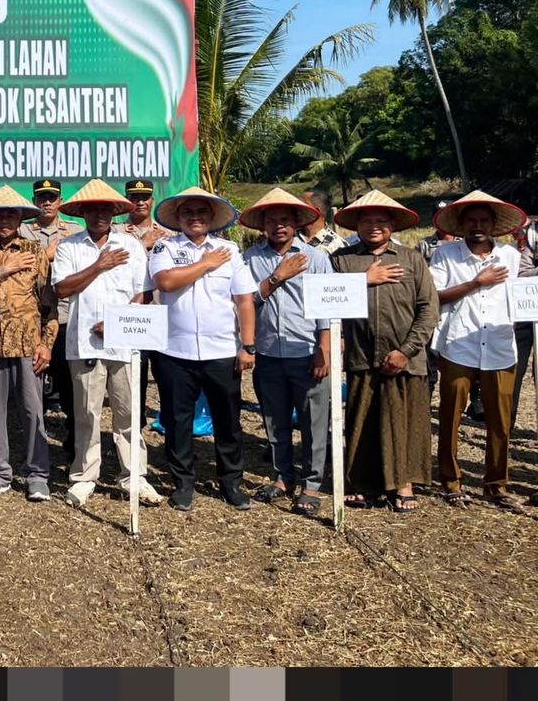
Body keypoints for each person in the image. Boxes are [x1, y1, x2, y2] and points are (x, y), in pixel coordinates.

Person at [51, 179, 160, 508]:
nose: (99, 214)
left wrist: (117, 321)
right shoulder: (70, 246)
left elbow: (143, 293)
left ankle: (134, 475)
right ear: (83, 212)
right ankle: (84, 476)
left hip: (125, 342)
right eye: (92, 209)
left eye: (105, 209)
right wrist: (98, 265)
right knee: (87, 413)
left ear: (114, 212)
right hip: (83, 344)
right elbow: (62, 289)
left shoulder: (130, 245)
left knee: (128, 413)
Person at [148, 185, 257, 513]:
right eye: (187, 212)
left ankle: (231, 482)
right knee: (177, 420)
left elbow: (244, 301)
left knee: (228, 420)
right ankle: (183, 483)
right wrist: (206, 264)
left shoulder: (230, 250)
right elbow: (165, 282)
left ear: (212, 218)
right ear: (178, 218)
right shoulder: (165, 247)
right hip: (174, 351)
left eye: (201, 213)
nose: (194, 218)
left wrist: (248, 346)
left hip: (222, 350)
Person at [330, 190, 438, 514]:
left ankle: (402, 482)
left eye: (381, 220)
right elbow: (325, 296)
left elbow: (428, 310)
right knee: (362, 421)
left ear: (392, 225)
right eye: (367, 220)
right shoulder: (342, 261)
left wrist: (405, 351)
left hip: (406, 359)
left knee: (404, 421)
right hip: (362, 356)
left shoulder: (412, 260)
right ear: (357, 225)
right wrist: (363, 279)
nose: (374, 226)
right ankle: (362, 482)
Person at [427, 190, 526, 511]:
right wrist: (476, 282)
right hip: (458, 344)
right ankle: (451, 481)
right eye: (472, 221)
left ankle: (496, 485)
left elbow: (524, 296)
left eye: (484, 220)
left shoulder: (511, 256)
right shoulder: (446, 255)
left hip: (500, 346)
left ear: (495, 225)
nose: (478, 226)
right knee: (451, 415)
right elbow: (434, 296)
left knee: (500, 420)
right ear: (462, 224)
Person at [238, 187, 333, 517]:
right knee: (274, 420)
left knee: (313, 421)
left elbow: (328, 309)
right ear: (263, 225)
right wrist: (278, 277)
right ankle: (283, 477)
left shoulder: (317, 259)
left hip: (306, 350)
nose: (278, 226)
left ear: (297, 223)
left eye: (285, 220)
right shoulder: (249, 260)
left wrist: (325, 349)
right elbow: (245, 301)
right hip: (267, 351)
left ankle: (312, 483)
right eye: (272, 220)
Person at [0, 185, 57, 503]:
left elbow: (49, 305)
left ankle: (37, 475)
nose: (4, 219)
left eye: (10, 214)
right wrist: (4, 270)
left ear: (20, 218)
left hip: (28, 343)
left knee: (32, 411)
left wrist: (47, 344)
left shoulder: (34, 251)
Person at [21, 178, 82, 459]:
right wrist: (46, 255)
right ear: (34, 201)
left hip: (66, 315)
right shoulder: (22, 231)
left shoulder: (75, 231)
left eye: (52, 197)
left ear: (60, 201)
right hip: (30, 316)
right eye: (41, 197)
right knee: (32, 384)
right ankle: (34, 442)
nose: (46, 202)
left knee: (69, 382)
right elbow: (19, 269)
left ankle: (73, 439)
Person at [120, 177, 173, 420]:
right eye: (134, 197)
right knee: (134, 379)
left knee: (168, 380)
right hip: (132, 315)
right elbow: (114, 268)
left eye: (144, 197)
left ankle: (172, 434)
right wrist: (142, 244)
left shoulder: (169, 235)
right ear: (126, 201)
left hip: (163, 315)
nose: (139, 202)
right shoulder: (116, 233)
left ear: (153, 200)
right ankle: (135, 435)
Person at [510, 207, 537, 440]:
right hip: (525, 314)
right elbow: (520, 271)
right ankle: (505, 425)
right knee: (514, 370)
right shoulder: (530, 236)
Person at [299, 190, 348, 257]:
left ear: (316, 211)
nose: (297, 208)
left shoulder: (337, 246)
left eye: (302, 205)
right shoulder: (291, 238)